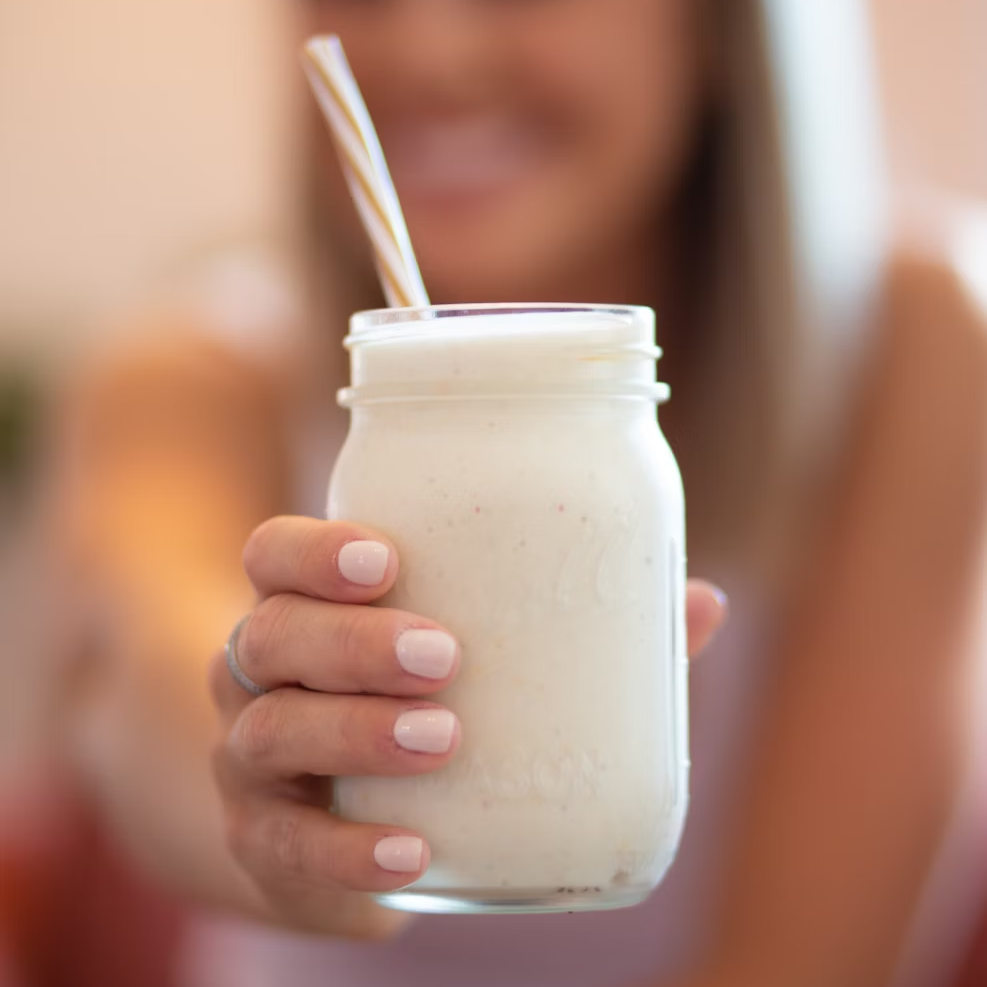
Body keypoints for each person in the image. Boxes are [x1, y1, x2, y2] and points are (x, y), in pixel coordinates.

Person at [58, 0, 987, 985]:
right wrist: (260, 758)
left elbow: (806, 962)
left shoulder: (911, 343)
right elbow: (134, 664)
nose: (432, 53)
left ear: (717, 25)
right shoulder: (198, 373)